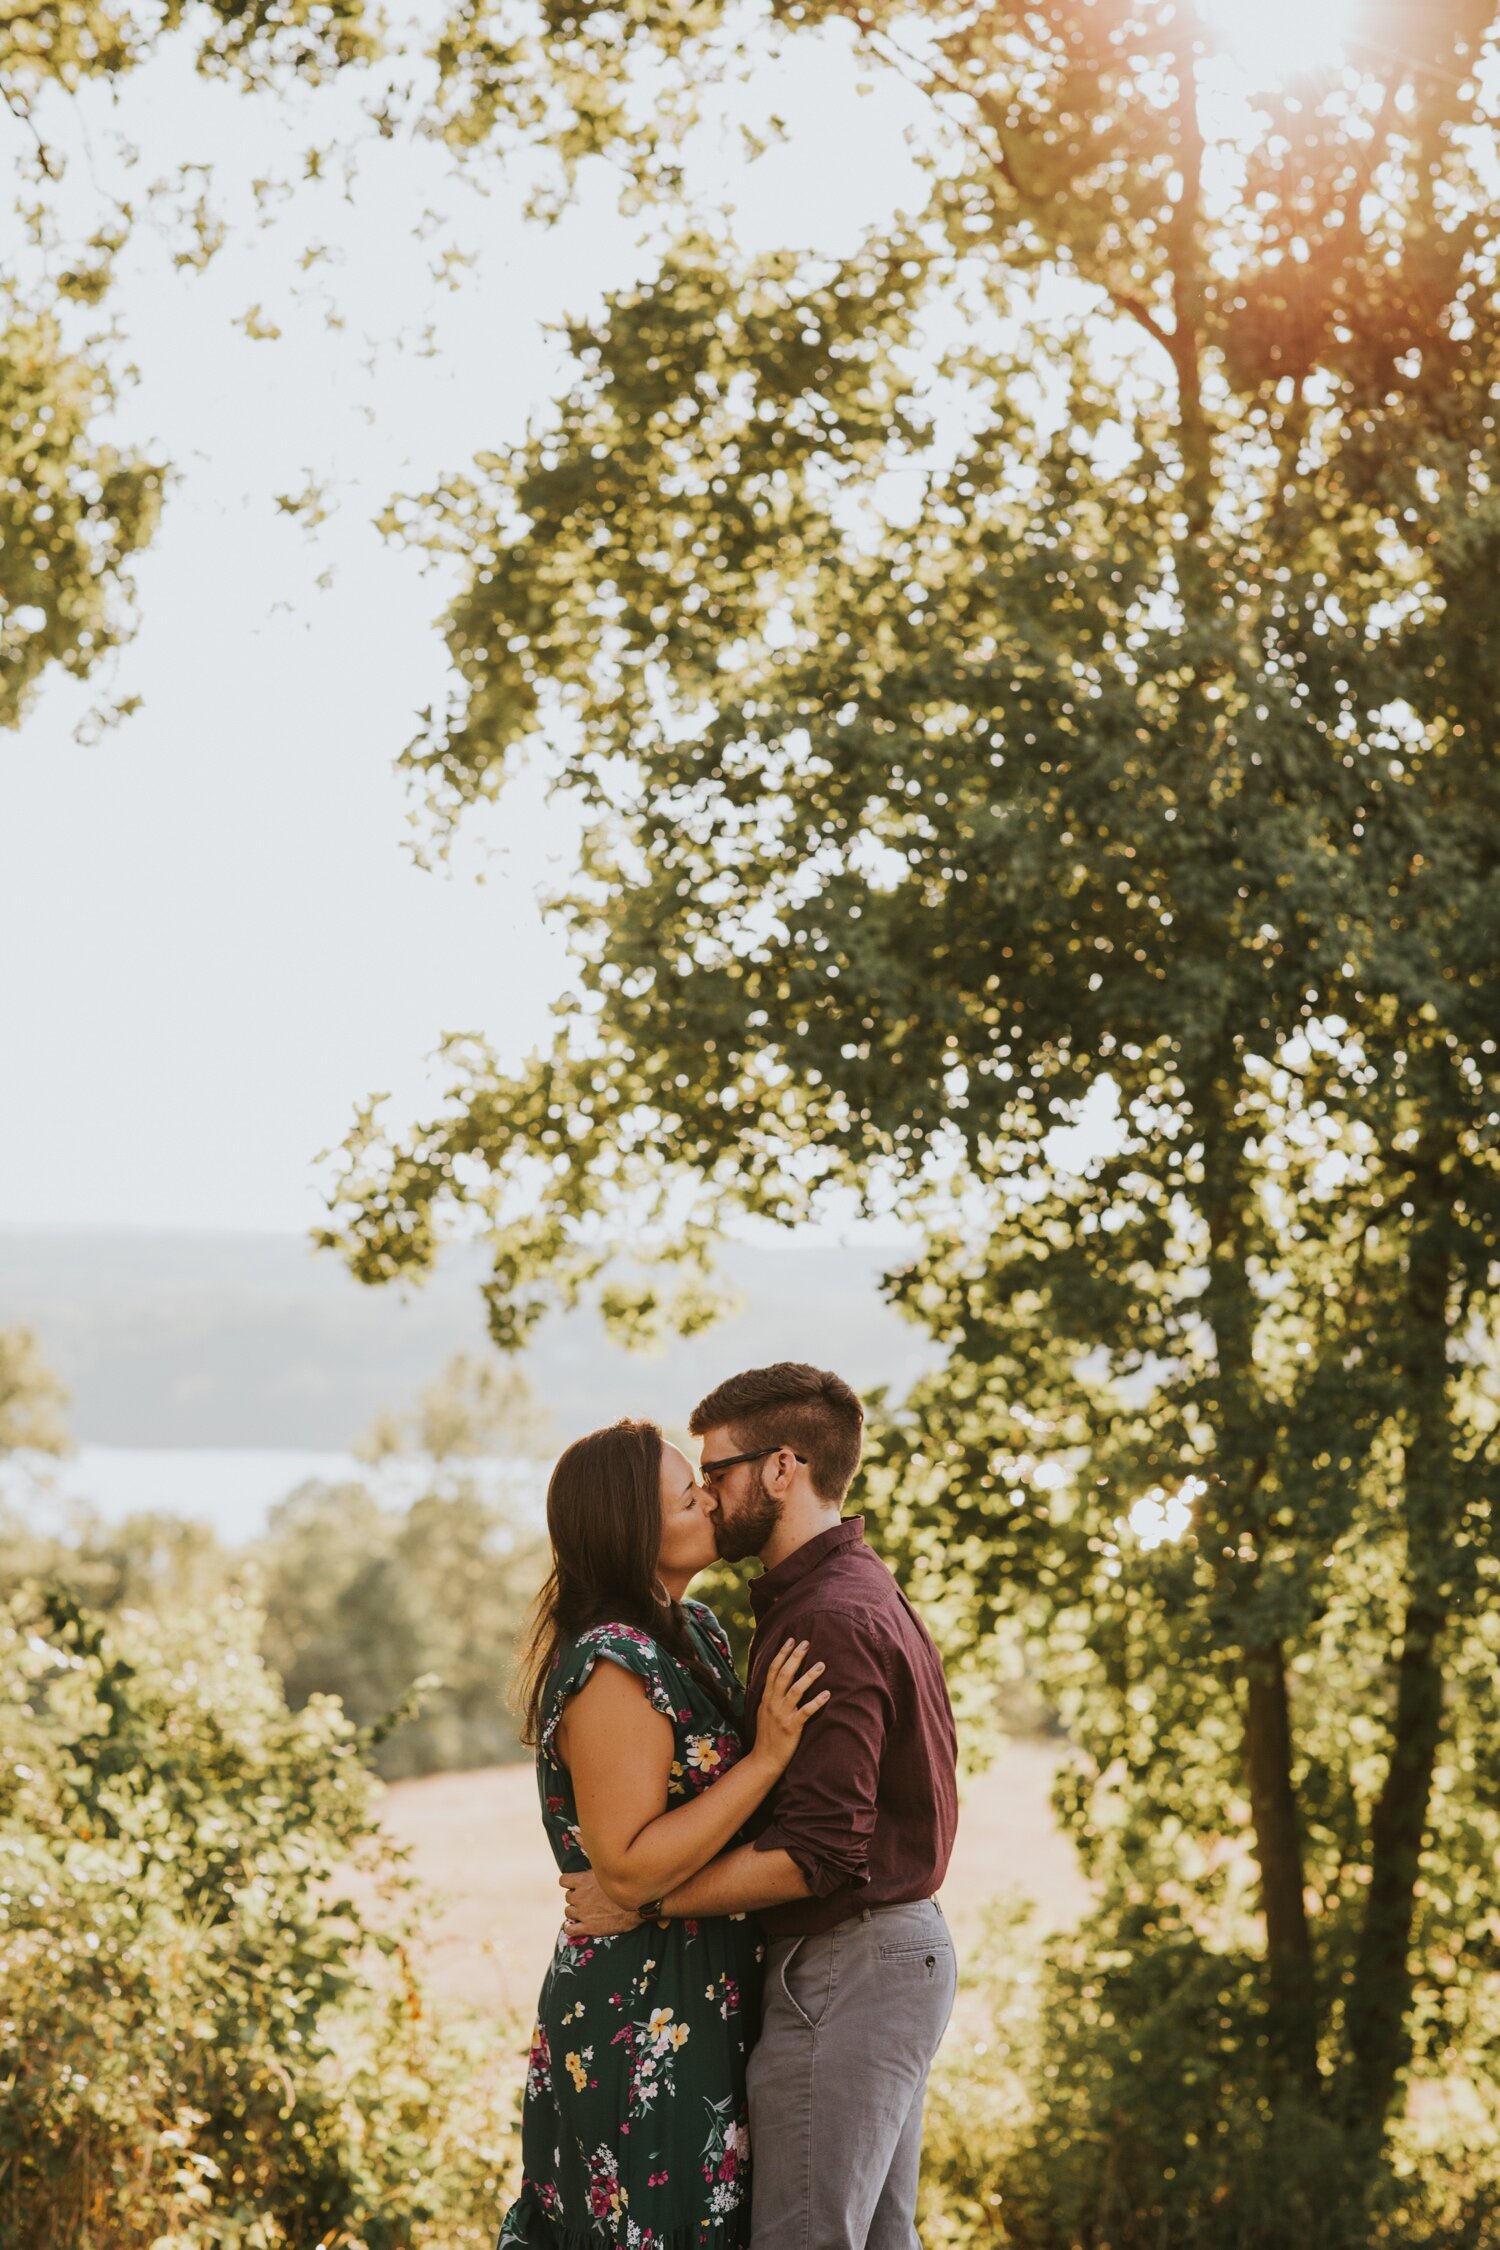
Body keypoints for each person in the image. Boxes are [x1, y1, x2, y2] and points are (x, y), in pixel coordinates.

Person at [563, 1364, 960, 2250]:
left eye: (717, 1471)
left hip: (849, 1966)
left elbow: (817, 1852)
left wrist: (642, 1898)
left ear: (782, 1469)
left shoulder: (825, 1616)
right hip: (869, 1960)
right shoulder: (836, 1593)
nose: (709, 1494)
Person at [498, 1416, 829, 2250]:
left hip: (707, 1995)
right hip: (639, 2014)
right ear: (636, 1531)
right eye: (692, 1496)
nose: (715, 1502)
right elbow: (631, 1866)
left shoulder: (699, 1634)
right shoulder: (614, 1664)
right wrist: (767, 1760)